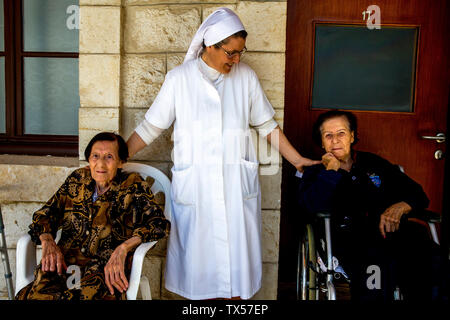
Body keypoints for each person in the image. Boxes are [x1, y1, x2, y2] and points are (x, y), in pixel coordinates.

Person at [126, 8, 318, 300]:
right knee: (200, 272)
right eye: (231, 53)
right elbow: (151, 127)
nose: (236, 60)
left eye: (240, 52)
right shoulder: (180, 79)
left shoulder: (246, 77)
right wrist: (116, 156)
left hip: (235, 187)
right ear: (210, 46)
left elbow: (266, 124)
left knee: (235, 273)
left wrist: (298, 160)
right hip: (197, 189)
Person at [297, 110, 436, 300]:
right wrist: (331, 172)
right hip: (354, 241)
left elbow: (417, 193)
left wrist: (401, 206)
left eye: (341, 133)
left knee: (432, 260)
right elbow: (312, 206)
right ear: (321, 142)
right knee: (376, 270)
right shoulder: (315, 173)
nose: (335, 140)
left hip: (394, 233)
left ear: (352, 136)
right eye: (328, 135)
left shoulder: (373, 163)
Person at [15, 132, 170, 300]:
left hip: (103, 270)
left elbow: (158, 224)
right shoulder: (77, 179)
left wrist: (123, 248)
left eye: (109, 157)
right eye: (95, 156)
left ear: (120, 162)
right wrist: (47, 240)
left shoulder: (133, 185)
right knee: (38, 293)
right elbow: (46, 214)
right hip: (64, 264)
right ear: (89, 160)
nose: (101, 163)